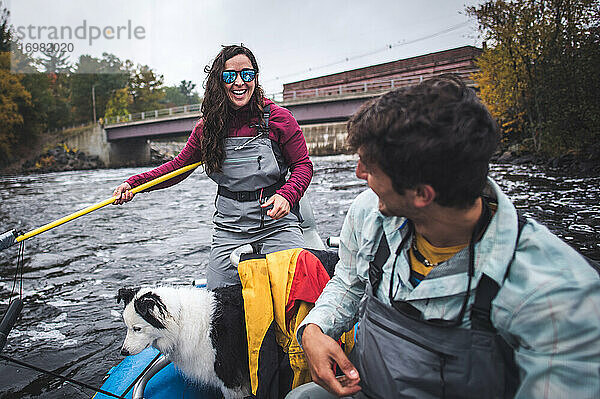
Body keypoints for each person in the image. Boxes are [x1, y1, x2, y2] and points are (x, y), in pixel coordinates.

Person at [289, 75, 600, 398]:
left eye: (371, 166)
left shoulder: (557, 293)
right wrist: (314, 328)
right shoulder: (369, 211)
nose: (359, 174)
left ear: (421, 195)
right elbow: (347, 283)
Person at [113, 45, 313, 290]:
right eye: (230, 76)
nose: (239, 82)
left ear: (256, 78)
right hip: (229, 230)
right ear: (220, 81)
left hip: (276, 226)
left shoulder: (281, 119)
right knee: (218, 305)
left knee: (299, 292)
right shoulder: (207, 128)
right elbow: (178, 167)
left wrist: (287, 195)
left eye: (247, 74)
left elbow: (303, 166)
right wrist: (134, 184)